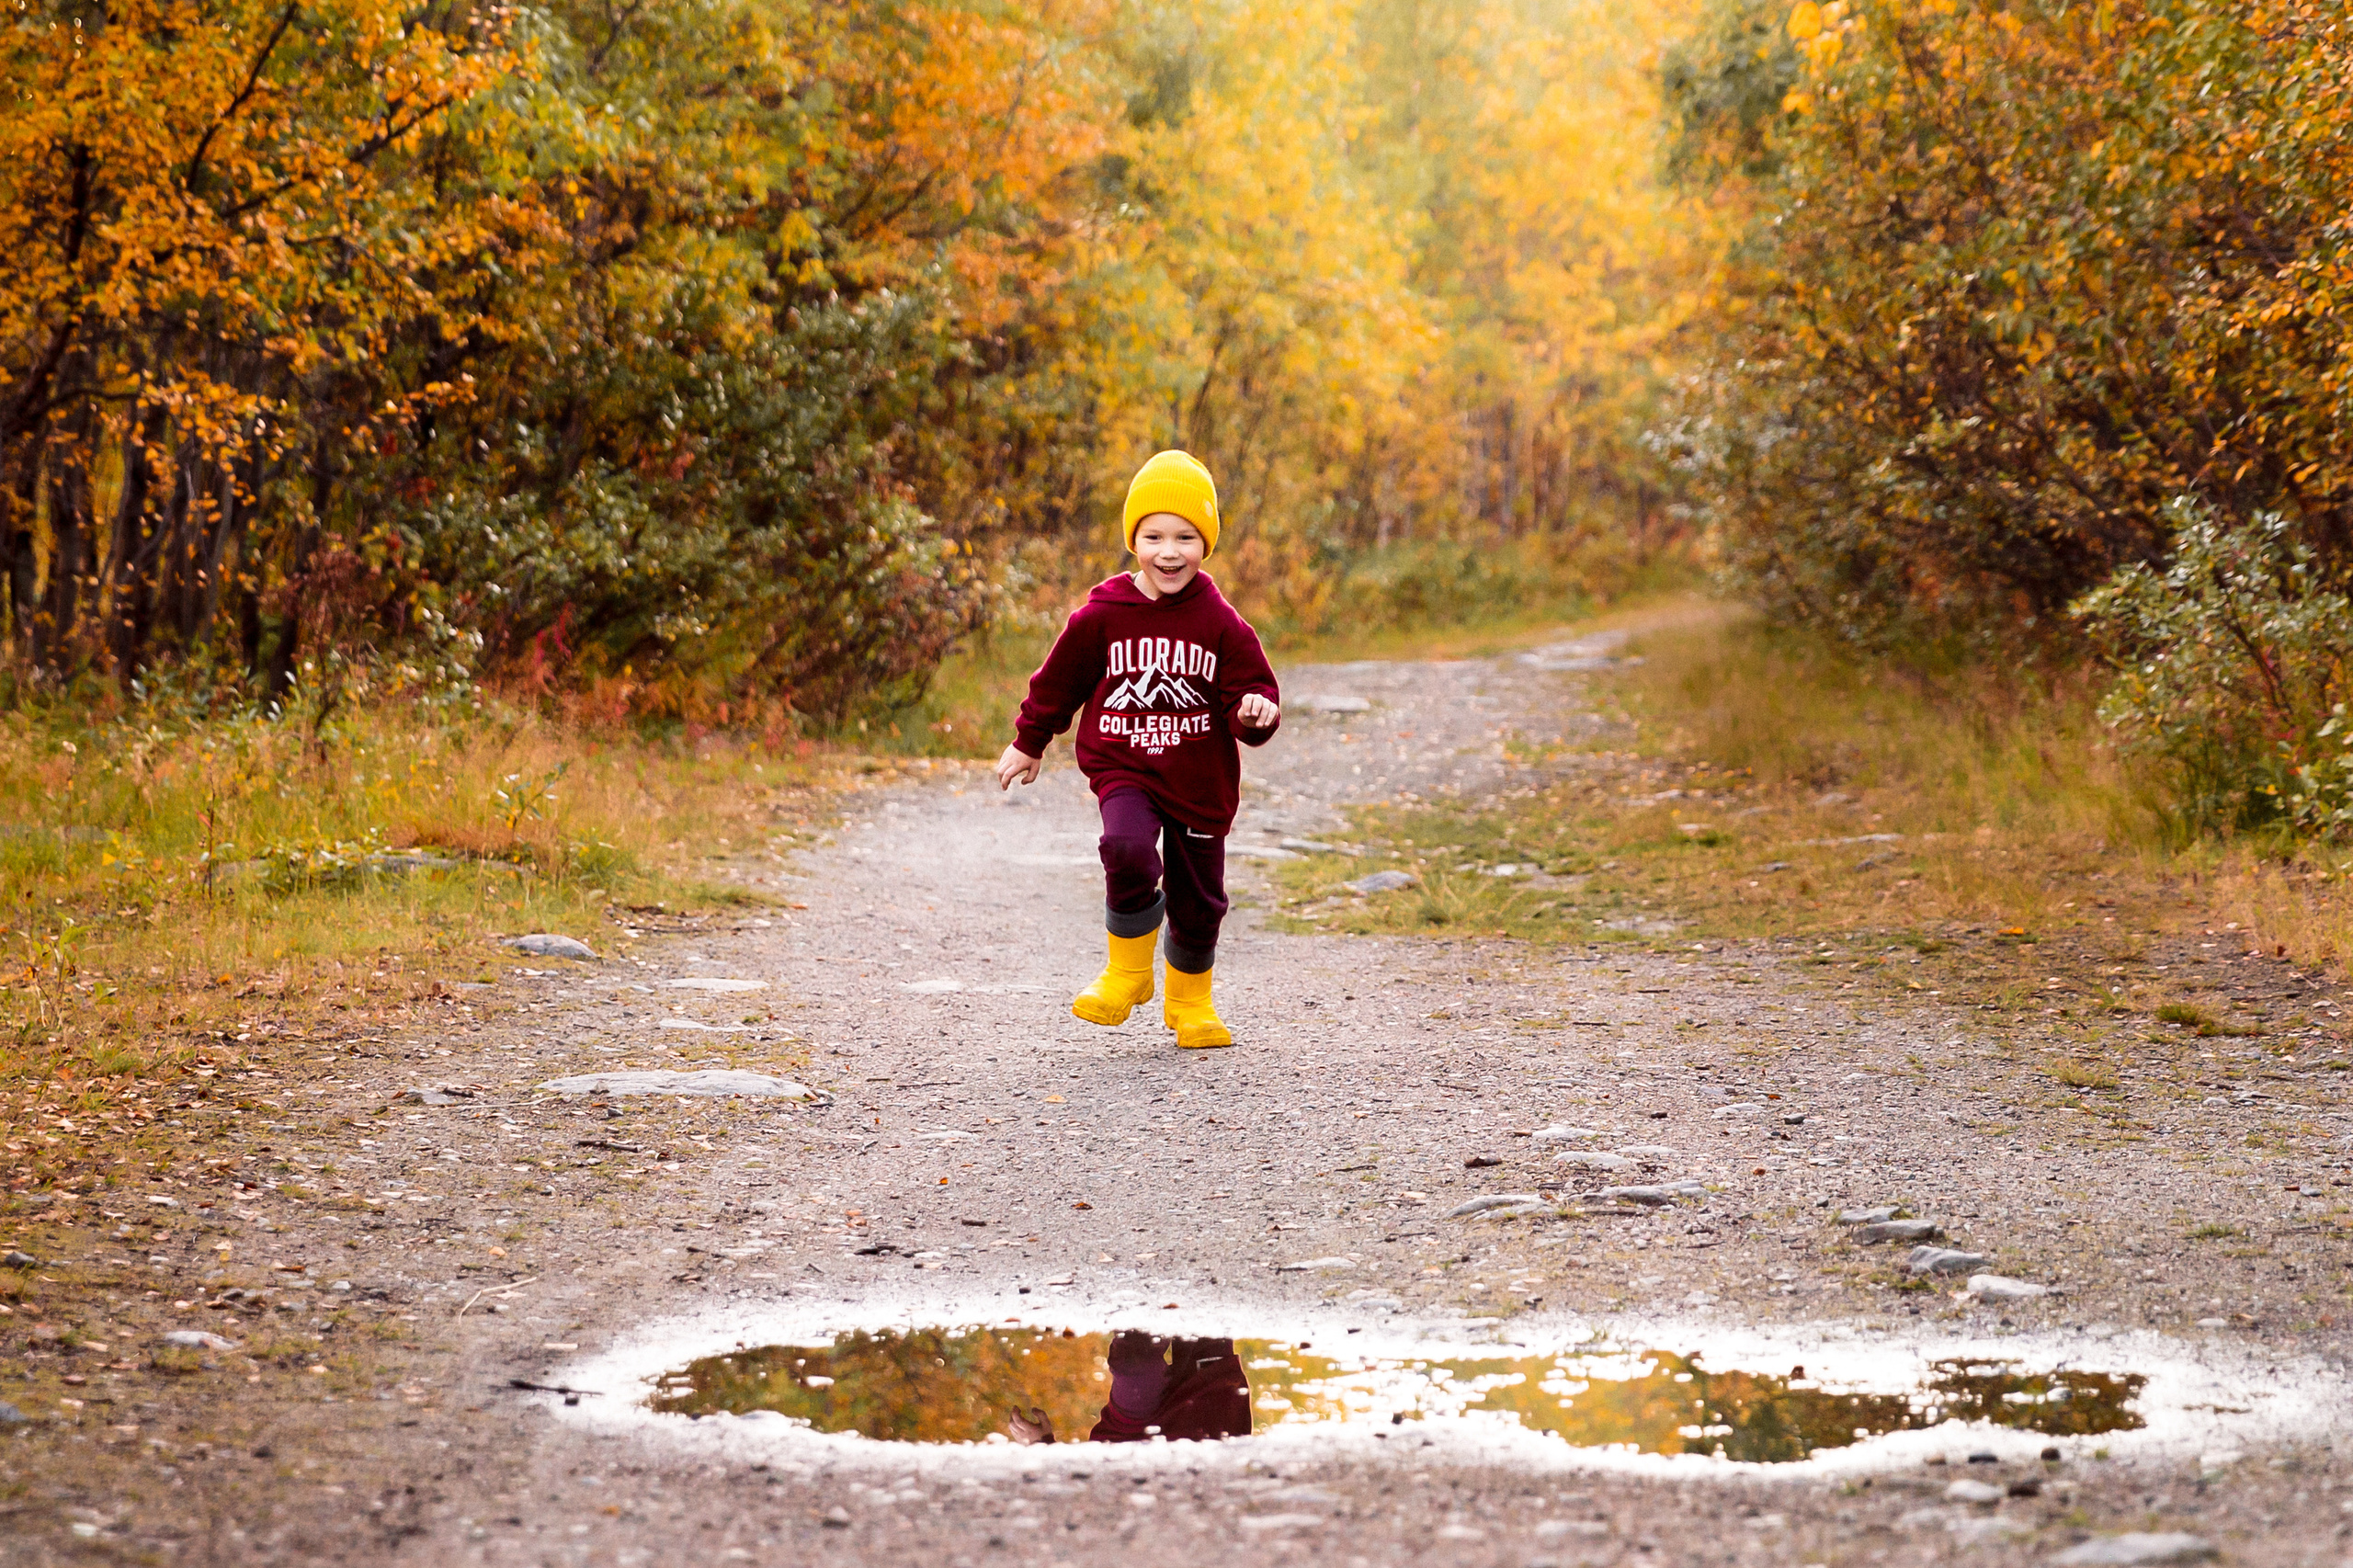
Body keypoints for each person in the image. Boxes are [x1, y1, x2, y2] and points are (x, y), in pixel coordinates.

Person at [995, 450, 1280, 1050]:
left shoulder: (1221, 622)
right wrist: (1030, 741)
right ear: (1133, 540)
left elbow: (1249, 692)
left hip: (1200, 777)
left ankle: (1190, 1002)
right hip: (1125, 764)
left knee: (1200, 899)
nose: (1169, 551)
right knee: (1123, 847)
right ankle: (1126, 974)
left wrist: (1256, 713)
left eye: (1185, 536)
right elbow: (1059, 681)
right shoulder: (1102, 615)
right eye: (1153, 536)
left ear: (1206, 544)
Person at [1004, 1332, 1253, 1445]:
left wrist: (1041, 1444)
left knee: (1134, 1362)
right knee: (1201, 1305)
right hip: (1204, 1418)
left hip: (1130, 1434)